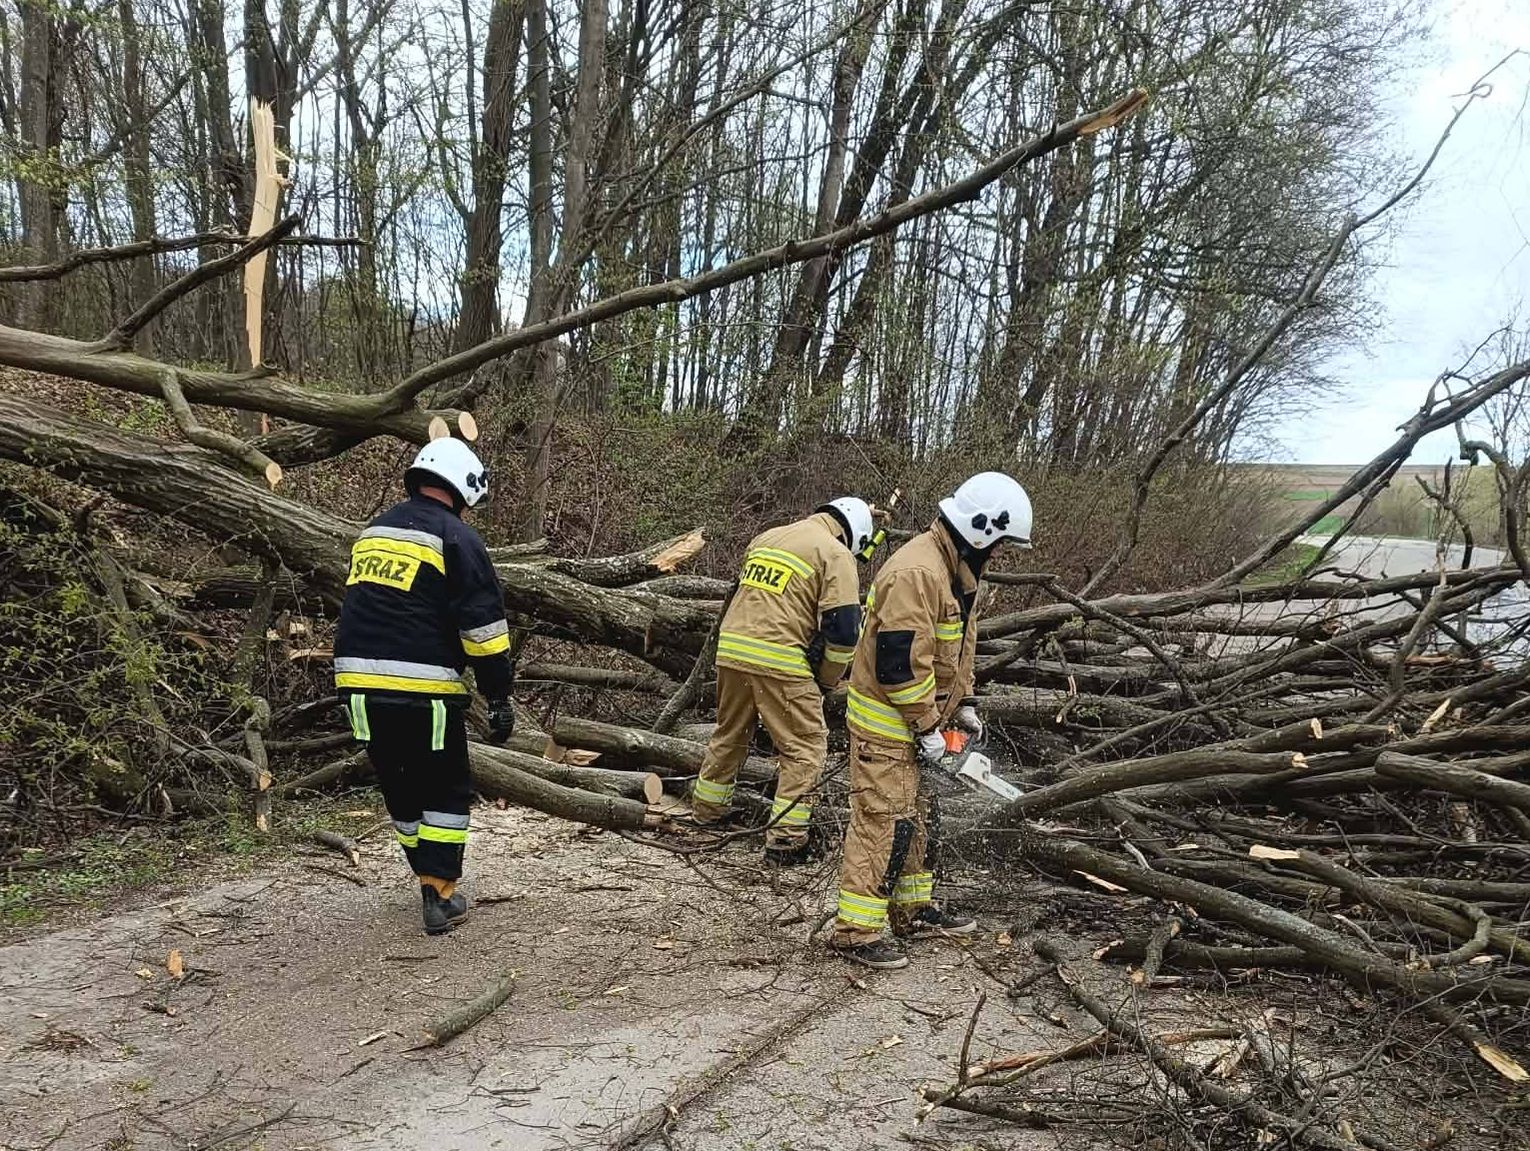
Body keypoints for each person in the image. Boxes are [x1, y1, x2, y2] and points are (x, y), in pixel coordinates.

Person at [831, 472, 1032, 969]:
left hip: (918, 721)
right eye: (1001, 543)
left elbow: (955, 650)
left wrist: (964, 704)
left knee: (920, 817)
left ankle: (912, 909)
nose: (999, 553)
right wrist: (926, 728)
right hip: (887, 722)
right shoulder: (917, 572)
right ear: (981, 530)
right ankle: (855, 930)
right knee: (885, 822)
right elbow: (897, 666)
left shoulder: (956, 572)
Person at [334, 437, 517, 935]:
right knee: (444, 790)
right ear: (462, 488)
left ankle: (425, 878)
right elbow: (483, 630)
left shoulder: (372, 534)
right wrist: (499, 695)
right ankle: (438, 895)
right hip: (423, 689)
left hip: (356, 687)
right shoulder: (455, 538)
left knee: (400, 786)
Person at [690, 497, 876, 864]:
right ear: (853, 534)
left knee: (730, 734)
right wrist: (825, 680)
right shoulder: (835, 554)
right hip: (780, 659)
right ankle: (787, 841)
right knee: (804, 748)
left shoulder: (767, 538)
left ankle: (706, 813)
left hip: (732, 652)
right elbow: (841, 633)